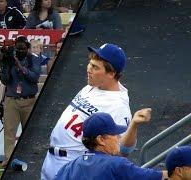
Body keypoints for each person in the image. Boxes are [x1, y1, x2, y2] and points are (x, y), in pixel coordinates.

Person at [41, 43, 137, 180]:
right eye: (90, 64)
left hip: (74, 164)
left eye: (95, 67)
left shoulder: (118, 106)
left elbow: (120, 150)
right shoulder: (89, 87)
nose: (88, 69)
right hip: (51, 159)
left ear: (111, 73)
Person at [55, 110, 168, 180]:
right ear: (101, 140)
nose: (119, 137)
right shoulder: (115, 164)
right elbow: (153, 177)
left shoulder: (71, 165)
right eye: (114, 134)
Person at [0, 36, 41, 167]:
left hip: (29, 101)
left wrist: (19, 65)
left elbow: (34, 77)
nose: (20, 51)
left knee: (29, 133)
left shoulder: (33, 59)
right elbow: (4, 80)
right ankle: (8, 160)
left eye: (23, 48)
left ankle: (30, 159)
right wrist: (6, 63)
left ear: (28, 48)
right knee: (9, 132)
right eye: (18, 49)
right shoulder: (9, 59)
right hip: (12, 99)